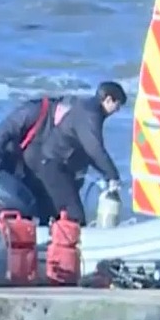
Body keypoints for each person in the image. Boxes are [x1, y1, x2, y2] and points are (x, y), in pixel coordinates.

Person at [37, 81, 127, 226]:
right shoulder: (91, 115)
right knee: (75, 216)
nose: (117, 111)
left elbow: (89, 150)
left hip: (58, 163)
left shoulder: (89, 108)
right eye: (117, 106)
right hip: (54, 164)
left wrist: (105, 173)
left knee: (56, 212)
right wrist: (113, 175)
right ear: (108, 100)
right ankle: (72, 245)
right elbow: (94, 149)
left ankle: (55, 241)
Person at [0, 95, 68, 224]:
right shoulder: (33, 111)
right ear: (59, 109)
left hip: (34, 171)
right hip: (10, 164)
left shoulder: (68, 128)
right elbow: (5, 129)